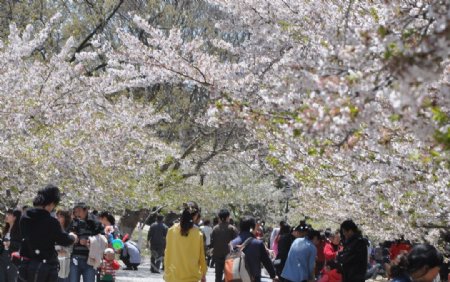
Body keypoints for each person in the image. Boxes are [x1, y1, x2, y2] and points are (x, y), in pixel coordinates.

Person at [18, 185, 77, 282]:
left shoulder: (24, 217)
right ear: (51, 203)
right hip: (45, 269)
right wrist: (72, 237)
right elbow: (63, 240)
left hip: (26, 267)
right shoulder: (51, 222)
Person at [164, 201, 207, 282]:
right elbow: (201, 256)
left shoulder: (171, 230)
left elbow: (167, 252)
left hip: (173, 276)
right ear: (195, 216)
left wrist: (166, 272)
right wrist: (203, 273)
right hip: (191, 277)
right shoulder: (198, 234)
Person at [230, 216, 279, 282]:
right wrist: (273, 275)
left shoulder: (232, 243)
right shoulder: (258, 244)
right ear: (251, 228)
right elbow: (266, 261)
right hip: (253, 278)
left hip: (235, 278)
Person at [68, 202, 104, 282]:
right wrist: (73, 238)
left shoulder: (95, 222)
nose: (77, 213)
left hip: (90, 259)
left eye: (79, 211)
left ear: (86, 210)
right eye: (75, 211)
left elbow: (102, 238)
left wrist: (89, 242)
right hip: (75, 258)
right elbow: (66, 236)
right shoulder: (73, 222)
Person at [210, 208, 238, 282]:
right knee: (228, 277)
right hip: (229, 257)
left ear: (219, 217)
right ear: (228, 217)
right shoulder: (232, 228)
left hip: (217, 256)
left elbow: (212, 243)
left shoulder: (215, 229)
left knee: (218, 277)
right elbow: (236, 243)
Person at [0, 208, 22, 282]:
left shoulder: (19, 230)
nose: (6, 215)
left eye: (9, 214)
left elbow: (22, 245)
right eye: (7, 214)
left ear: (15, 217)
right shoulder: (6, 229)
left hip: (13, 260)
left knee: (11, 279)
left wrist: (11, 243)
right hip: (2, 258)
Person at [56, 210, 73, 282]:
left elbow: (70, 248)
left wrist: (59, 249)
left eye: (61, 216)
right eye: (57, 216)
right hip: (56, 260)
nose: (58, 218)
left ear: (66, 218)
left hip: (67, 261)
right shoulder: (54, 230)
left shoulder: (70, 231)